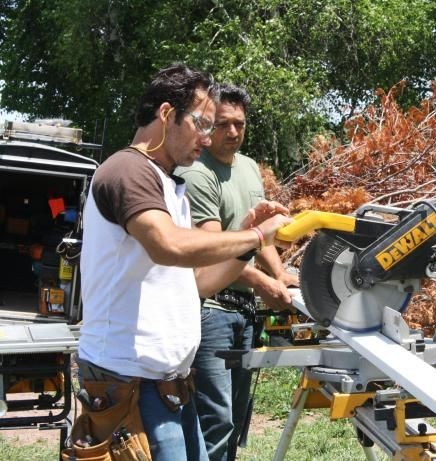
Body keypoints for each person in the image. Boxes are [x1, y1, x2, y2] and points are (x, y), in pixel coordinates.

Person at [77, 64, 292, 461]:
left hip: (167, 384)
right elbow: (169, 246)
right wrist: (258, 237)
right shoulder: (128, 170)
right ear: (165, 114)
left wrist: (243, 243)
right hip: (128, 382)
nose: (208, 137)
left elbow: (199, 283)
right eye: (202, 123)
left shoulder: (169, 184)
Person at [176, 84, 298, 461]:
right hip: (212, 309)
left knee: (237, 418)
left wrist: (280, 275)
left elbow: (256, 238)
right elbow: (214, 252)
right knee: (216, 418)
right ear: (209, 125)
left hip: (244, 312)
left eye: (239, 124)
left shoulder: (247, 168)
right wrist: (263, 282)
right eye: (223, 124)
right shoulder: (198, 172)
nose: (232, 132)